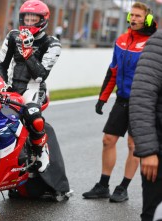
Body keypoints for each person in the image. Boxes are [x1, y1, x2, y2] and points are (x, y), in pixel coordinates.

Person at [82, 2, 157, 203]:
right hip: (122, 99)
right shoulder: (121, 40)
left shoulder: (153, 43)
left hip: (143, 102)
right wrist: (102, 98)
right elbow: (112, 71)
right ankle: (103, 185)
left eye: (138, 16)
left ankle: (123, 187)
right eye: (131, 15)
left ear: (147, 19)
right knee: (108, 140)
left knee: (134, 145)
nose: (133, 19)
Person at [0, 0, 61, 173]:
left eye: (33, 19)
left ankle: (41, 150)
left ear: (43, 20)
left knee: (34, 117)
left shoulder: (52, 44)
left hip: (34, 88)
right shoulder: (12, 36)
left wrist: (29, 53)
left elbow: (40, 75)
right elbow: (0, 64)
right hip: (11, 86)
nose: (29, 23)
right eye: (26, 19)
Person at [129, 29, 162, 221]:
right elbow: (142, 98)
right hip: (157, 152)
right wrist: (149, 151)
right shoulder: (159, 42)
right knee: (154, 214)